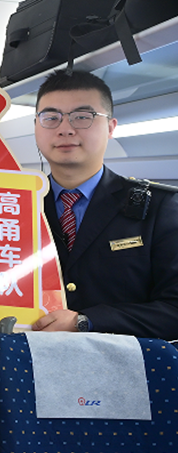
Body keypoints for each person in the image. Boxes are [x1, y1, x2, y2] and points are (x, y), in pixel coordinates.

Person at [30, 70, 178, 339]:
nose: (65, 128)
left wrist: (87, 321)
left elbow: (174, 309)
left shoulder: (160, 207)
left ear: (110, 127)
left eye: (82, 117)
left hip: (122, 363)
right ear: (36, 127)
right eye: (51, 118)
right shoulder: (13, 207)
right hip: (25, 360)